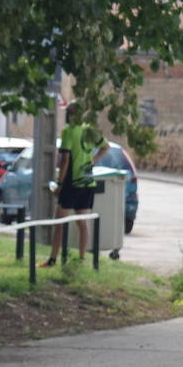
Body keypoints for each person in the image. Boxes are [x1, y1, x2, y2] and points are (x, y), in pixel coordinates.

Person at [43, 100, 108, 267]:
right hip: (88, 183)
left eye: (68, 111)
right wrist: (93, 160)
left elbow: (64, 160)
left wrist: (59, 182)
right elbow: (105, 147)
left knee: (59, 222)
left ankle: (52, 259)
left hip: (72, 182)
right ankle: (81, 259)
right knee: (82, 222)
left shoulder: (68, 131)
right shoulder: (90, 129)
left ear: (71, 113)